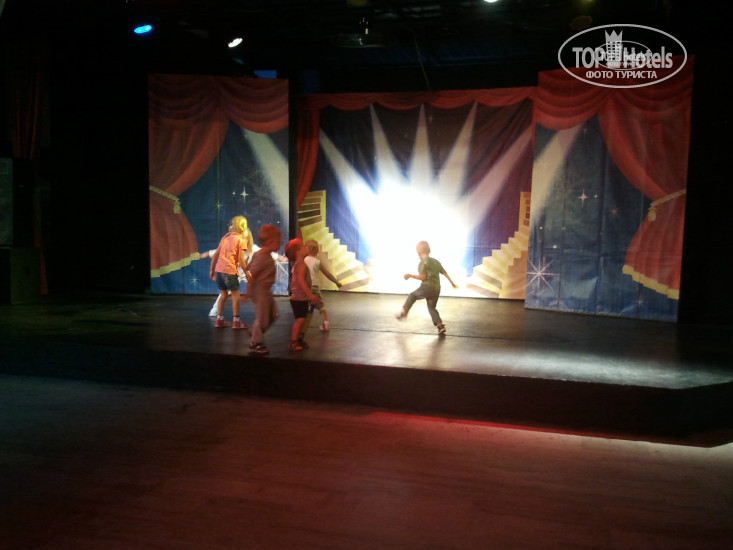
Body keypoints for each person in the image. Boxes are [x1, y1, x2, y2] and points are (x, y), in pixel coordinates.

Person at [396, 240, 458, 335]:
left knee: (412, 295)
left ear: (419, 252)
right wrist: (452, 283)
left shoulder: (422, 263)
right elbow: (444, 273)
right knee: (432, 307)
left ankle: (405, 312)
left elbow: (423, 277)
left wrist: (410, 275)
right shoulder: (436, 262)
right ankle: (440, 326)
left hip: (427, 287)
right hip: (436, 289)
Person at [205, 217, 254, 318]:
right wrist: (247, 274)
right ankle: (236, 320)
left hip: (219, 272)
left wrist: (212, 270)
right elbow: (241, 260)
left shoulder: (225, 238)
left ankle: (219, 319)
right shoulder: (241, 241)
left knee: (223, 294)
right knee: (235, 295)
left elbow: (215, 255)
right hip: (230, 271)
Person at [245, 224, 282, 355]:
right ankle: (255, 343)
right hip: (259, 290)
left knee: (273, 315)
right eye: (278, 241)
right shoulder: (261, 256)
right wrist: (248, 291)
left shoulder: (264, 255)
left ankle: (255, 332)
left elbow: (250, 265)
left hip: (266, 290)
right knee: (262, 318)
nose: (280, 244)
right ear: (270, 242)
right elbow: (252, 274)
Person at [285, 239, 322, 351]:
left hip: (301, 297)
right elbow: (301, 281)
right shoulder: (301, 265)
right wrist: (310, 295)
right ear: (298, 252)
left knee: (303, 319)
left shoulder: (299, 264)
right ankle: (293, 341)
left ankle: (299, 339)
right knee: (300, 320)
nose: (306, 248)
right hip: (298, 298)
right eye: (303, 247)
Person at [299, 239, 342, 336]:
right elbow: (328, 274)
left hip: (307, 287)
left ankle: (302, 326)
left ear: (307, 249)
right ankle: (326, 323)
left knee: (305, 307)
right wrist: (336, 282)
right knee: (320, 306)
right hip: (315, 287)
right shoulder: (317, 262)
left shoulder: (303, 261)